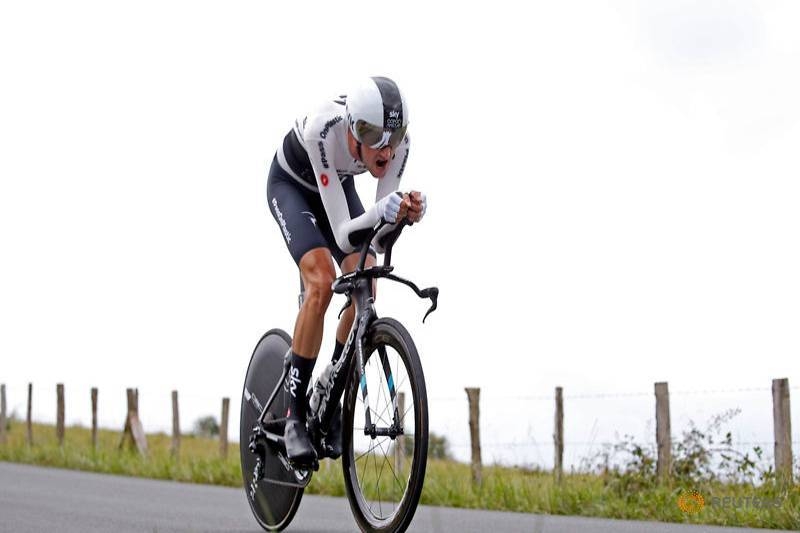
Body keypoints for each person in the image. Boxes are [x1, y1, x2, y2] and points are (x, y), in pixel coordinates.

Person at [266, 76, 427, 465]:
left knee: (366, 285)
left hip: (336, 186)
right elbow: (342, 233)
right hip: (293, 185)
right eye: (373, 137)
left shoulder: (396, 146)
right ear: (354, 129)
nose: (385, 151)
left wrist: (404, 215)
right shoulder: (325, 129)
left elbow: (379, 237)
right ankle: (293, 418)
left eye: (393, 137)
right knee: (321, 283)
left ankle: (329, 390)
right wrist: (384, 212)